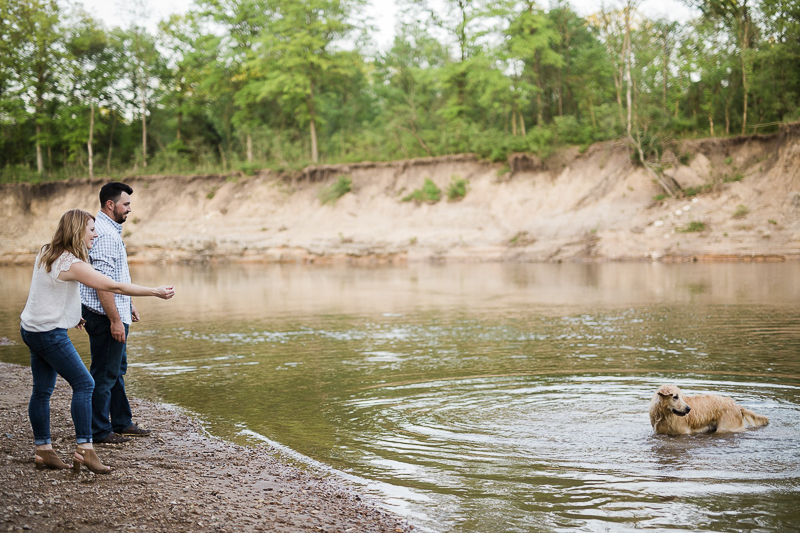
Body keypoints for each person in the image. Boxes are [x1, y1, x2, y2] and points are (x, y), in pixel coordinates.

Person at [20, 209, 175, 474]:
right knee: (85, 383)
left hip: (31, 329)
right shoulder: (72, 263)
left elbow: (49, 292)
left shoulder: (47, 251)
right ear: (77, 231)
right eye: (91, 229)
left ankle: (43, 451)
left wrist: (73, 313)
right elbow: (113, 286)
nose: (96, 233)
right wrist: (154, 291)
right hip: (48, 334)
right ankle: (85, 450)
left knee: (42, 391)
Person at [79, 182, 152, 445]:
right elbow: (102, 283)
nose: (130, 209)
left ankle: (121, 421)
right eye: (126, 204)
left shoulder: (108, 230)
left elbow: (114, 279)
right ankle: (98, 431)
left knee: (115, 369)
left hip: (113, 311)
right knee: (104, 373)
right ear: (110, 205)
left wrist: (127, 304)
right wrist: (114, 319)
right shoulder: (105, 236)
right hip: (104, 316)